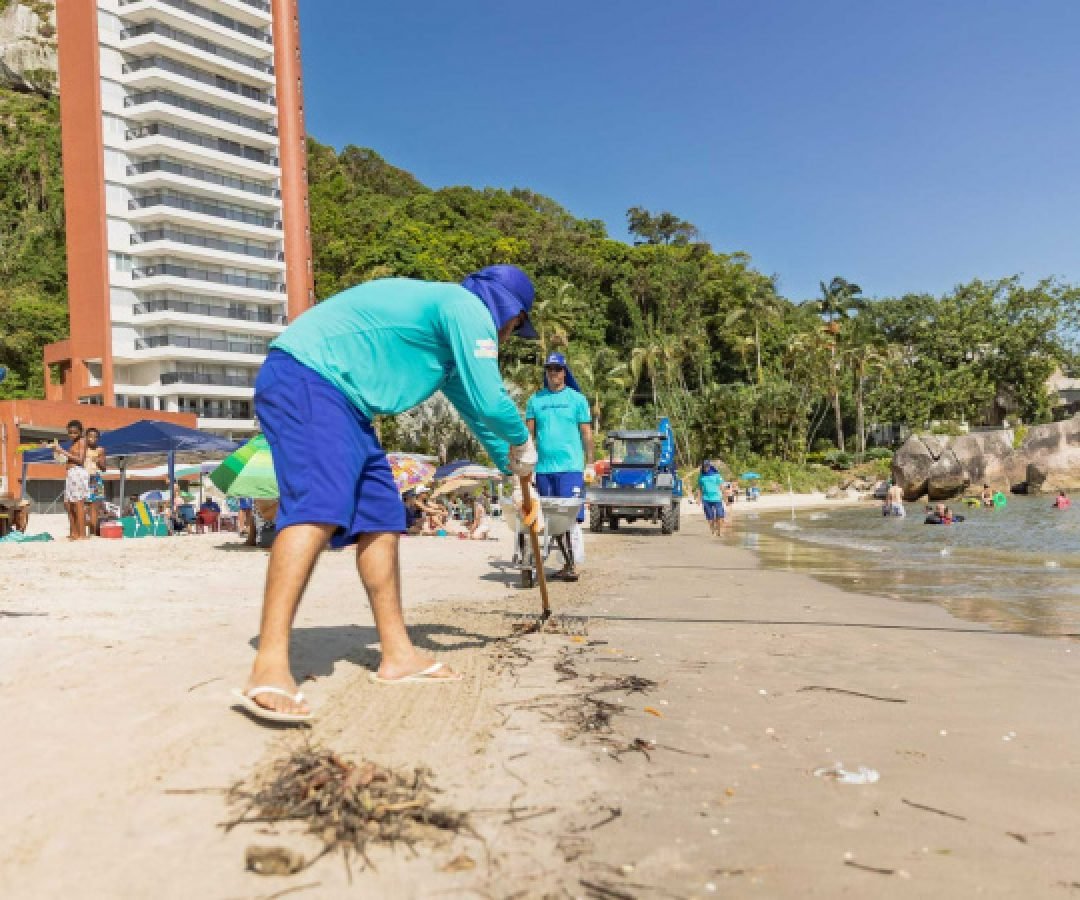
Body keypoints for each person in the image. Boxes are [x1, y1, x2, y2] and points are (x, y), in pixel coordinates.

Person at [236, 265, 538, 722]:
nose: (511, 337)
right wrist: (523, 441)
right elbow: (493, 399)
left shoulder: (448, 342)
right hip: (309, 377)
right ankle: (269, 666)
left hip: (350, 404)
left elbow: (477, 411)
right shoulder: (467, 308)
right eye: (516, 328)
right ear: (509, 313)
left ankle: (397, 655)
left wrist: (512, 465)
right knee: (318, 506)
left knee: (381, 514)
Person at [525, 352, 593, 581]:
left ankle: (573, 563)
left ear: (564, 372)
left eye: (557, 369)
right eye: (550, 369)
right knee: (551, 519)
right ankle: (566, 563)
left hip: (571, 468)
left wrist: (590, 463)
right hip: (544, 469)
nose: (553, 373)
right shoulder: (536, 400)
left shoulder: (577, 400)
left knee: (569, 517)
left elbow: (586, 433)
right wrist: (522, 462)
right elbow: (528, 434)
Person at [53, 420, 88, 541]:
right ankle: (74, 532)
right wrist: (59, 454)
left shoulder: (82, 441)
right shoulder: (73, 444)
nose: (72, 435)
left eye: (75, 432)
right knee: (68, 504)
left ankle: (82, 534)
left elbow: (80, 459)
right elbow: (69, 458)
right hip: (70, 473)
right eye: (70, 433)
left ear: (80, 432)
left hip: (77, 473)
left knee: (78, 503)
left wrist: (62, 451)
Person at [83, 427, 107, 537]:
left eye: (96, 437)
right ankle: (82, 530)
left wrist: (98, 461)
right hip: (83, 479)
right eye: (90, 436)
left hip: (95, 478)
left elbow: (104, 468)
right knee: (82, 506)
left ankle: (92, 532)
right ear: (86, 437)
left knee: (94, 507)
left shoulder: (100, 450)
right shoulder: (81, 448)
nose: (93, 439)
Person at [698, 461, 725, 535]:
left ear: (709, 466)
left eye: (707, 466)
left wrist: (725, 497)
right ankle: (713, 531)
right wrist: (699, 499)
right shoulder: (701, 476)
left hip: (717, 498)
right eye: (704, 467)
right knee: (710, 518)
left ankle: (719, 532)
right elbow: (700, 488)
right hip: (706, 499)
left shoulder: (716, 475)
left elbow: (721, 486)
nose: (705, 468)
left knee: (719, 516)